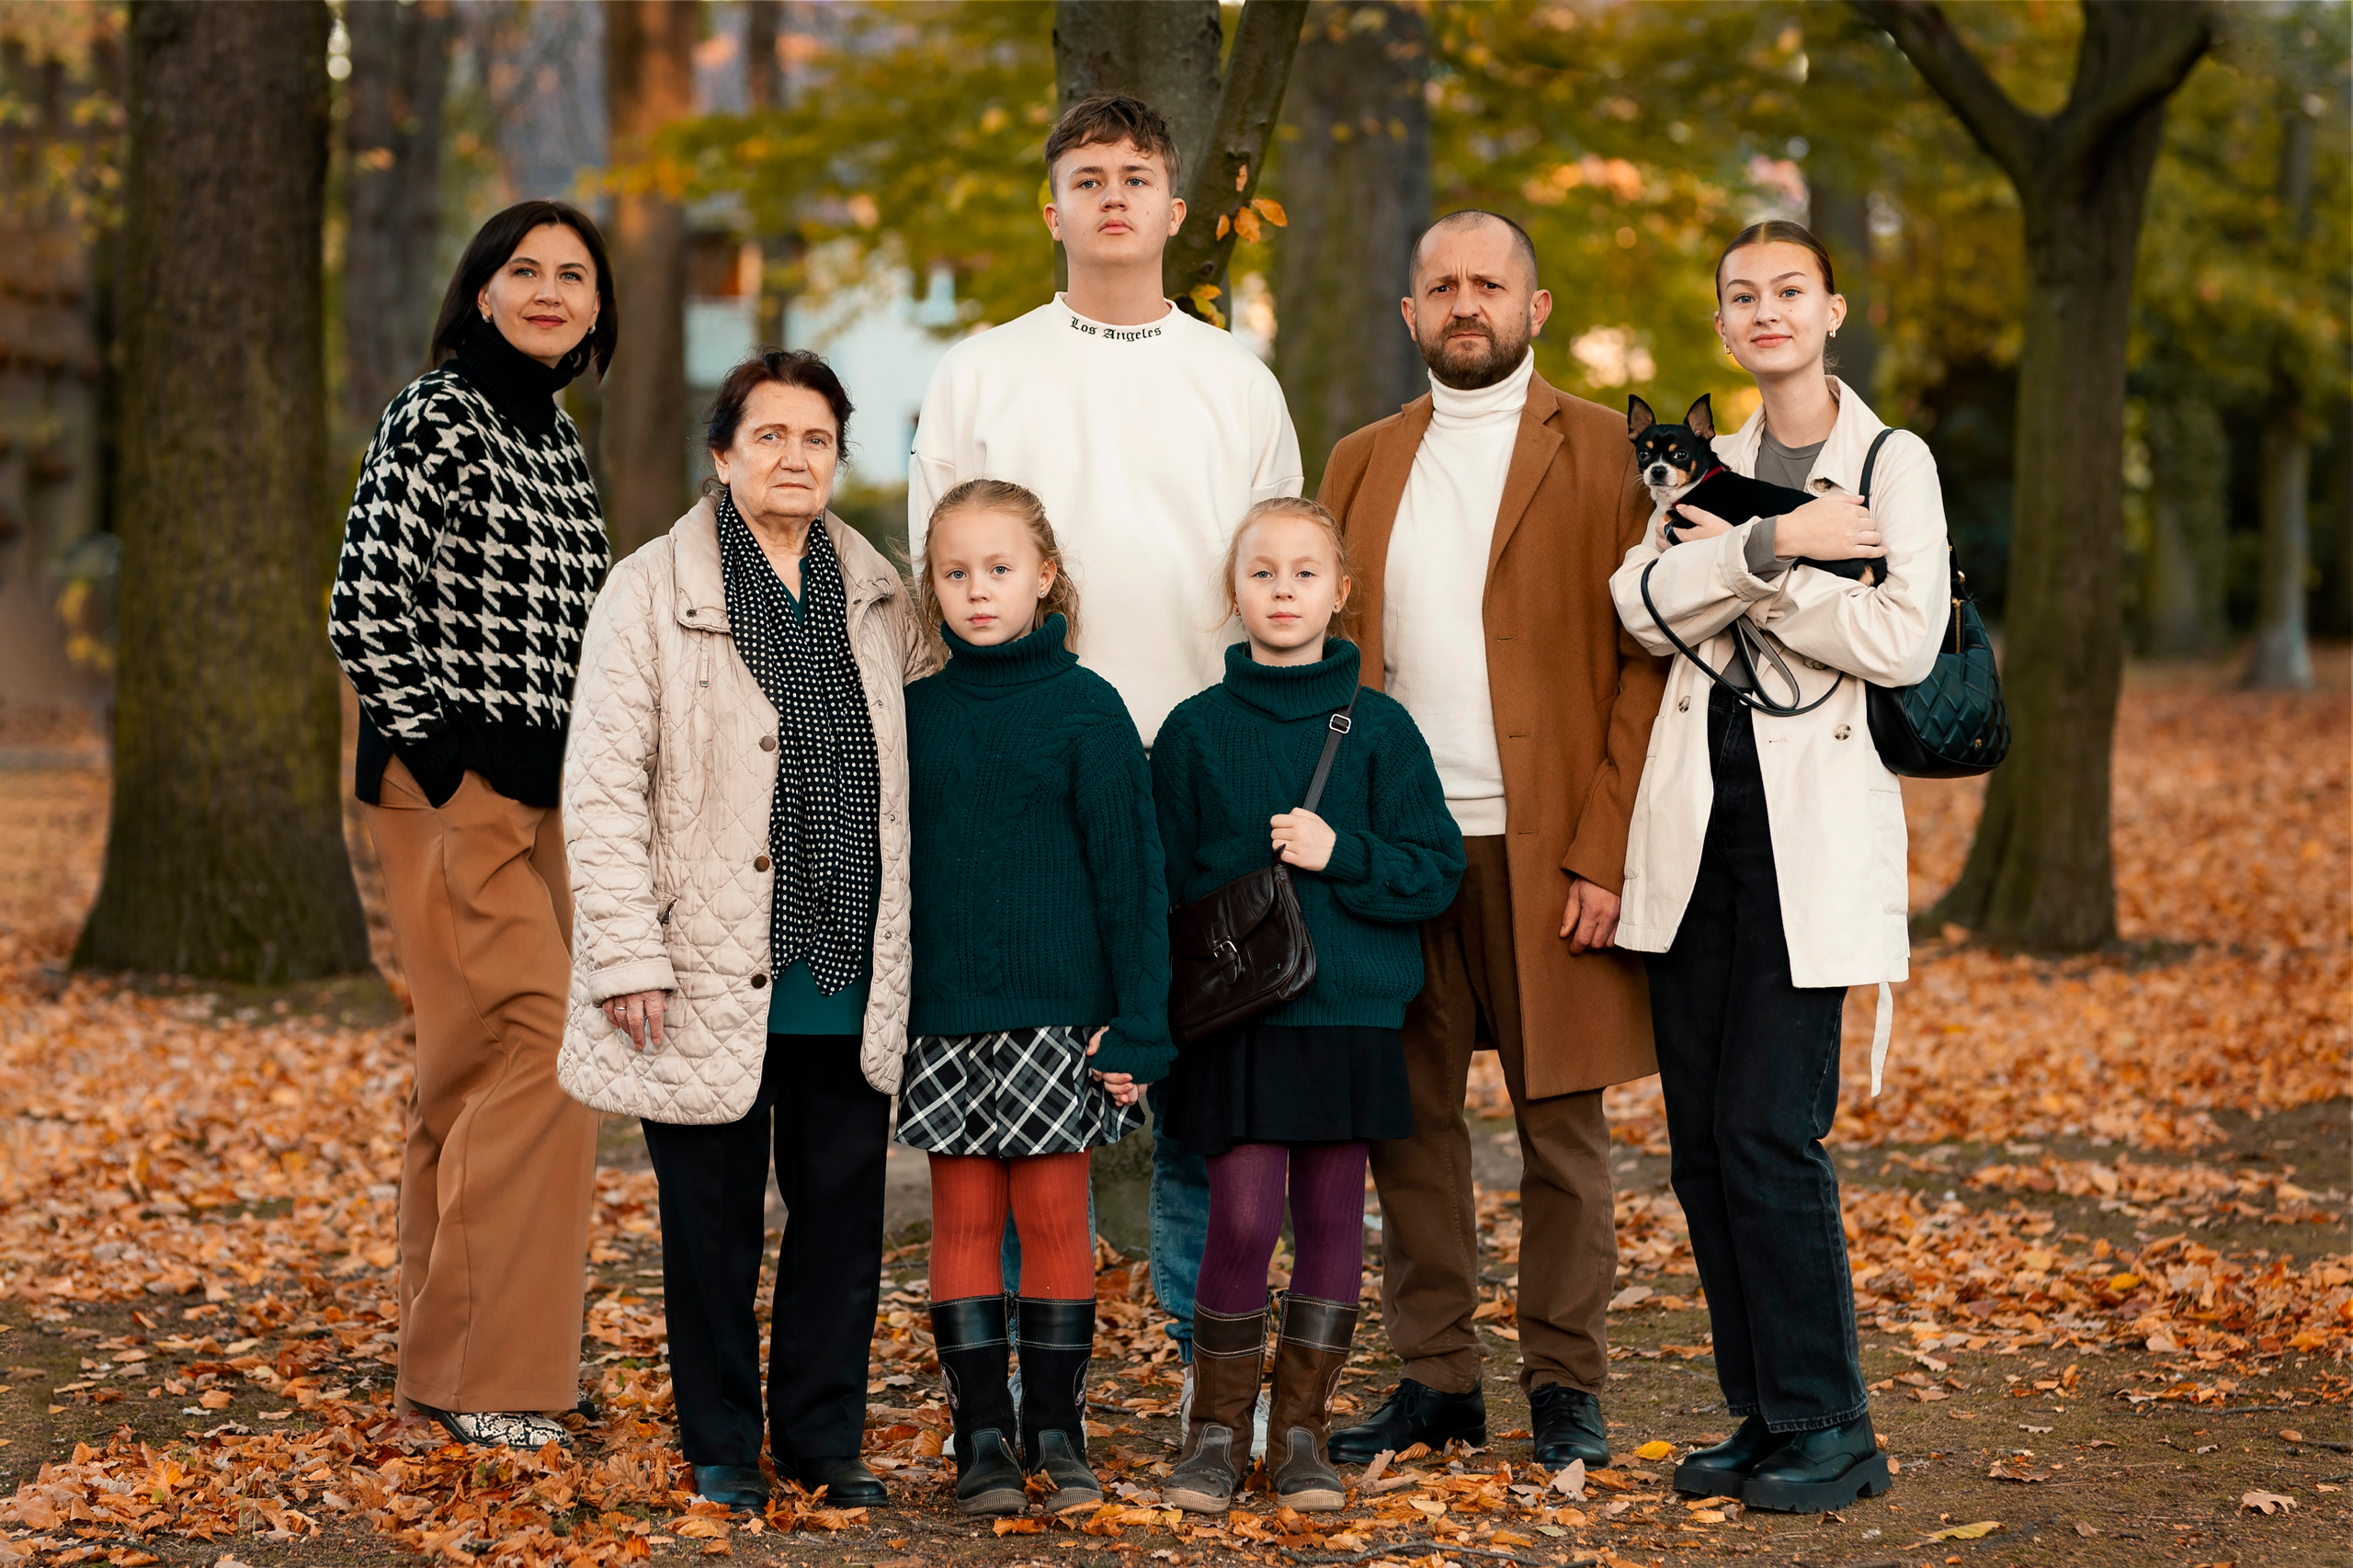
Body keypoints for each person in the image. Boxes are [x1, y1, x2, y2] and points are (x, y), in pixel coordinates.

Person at [908, 92, 1303, 1374]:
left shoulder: (1236, 380)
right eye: (1089, 176)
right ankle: (1025, 1388)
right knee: (1026, 1092)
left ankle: (1207, 1360)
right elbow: (934, 583)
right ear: (1055, 206)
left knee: (1196, 1082)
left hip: (1195, 762)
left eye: (1138, 174)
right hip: (1021, 772)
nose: (1115, 194)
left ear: (1177, 209)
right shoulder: (982, 370)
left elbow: (1274, 571)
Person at [1316, 211, 1667, 1470]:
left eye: (1490, 283)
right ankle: (1439, 1380)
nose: (1466, 302)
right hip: (1401, 853)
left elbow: (1649, 668)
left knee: (1563, 1132)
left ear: (1538, 306)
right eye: (1442, 285)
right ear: (1410, 314)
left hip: (1546, 845)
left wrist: (1603, 848)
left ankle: (1566, 1383)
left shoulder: (1612, 456)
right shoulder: (1360, 460)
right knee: (1409, 1126)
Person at [1608, 220, 1945, 1512]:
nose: (1765, 311)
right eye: (1742, 295)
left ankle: (1831, 1422)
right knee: (1701, 1138)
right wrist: (1780, 543)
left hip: (1811, 831)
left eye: (1787, 290)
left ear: (1831, 309)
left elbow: (1905, 636)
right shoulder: (1710, 459)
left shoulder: (1887, 458)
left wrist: (1752, 574)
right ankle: (1761, 1416)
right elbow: (1636, 606)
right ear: (1724, 324)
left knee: (1767, 1126)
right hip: (1697, 830)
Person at [558, 350, 929, 1514]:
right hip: (703, 963)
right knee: (710, 1229)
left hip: (847, 962)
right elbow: (603, 786)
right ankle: (720, 1442)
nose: (793, 457)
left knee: (840, 1225)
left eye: (815, 439)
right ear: (722, 454)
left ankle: (823, 1436)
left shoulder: (881, 593)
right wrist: (625, 952)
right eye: (768, 435)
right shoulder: (647, 589)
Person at [329, 199, 618, 1451]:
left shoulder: (552, 435)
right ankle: (480, 1371)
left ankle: (468, 1355)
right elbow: (363, 595)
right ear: (483, 290)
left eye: (574, 274)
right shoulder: (440, 409)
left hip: (540, 795)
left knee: (464, 1075)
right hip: (454, 793)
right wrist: (443, 764)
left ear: (597, 308)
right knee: (544, 1047)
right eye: (526, 269)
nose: (550, 289)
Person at [1153, 498, 1464, 1515]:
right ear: (1231, 593)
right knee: (1241, 1218)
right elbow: (1158, 889)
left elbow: (1437, 872)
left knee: (1332, 1218)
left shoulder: (1379, 730)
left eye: (1302, 573)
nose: (1282, 591)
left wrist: (1346, 853)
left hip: (1349, 1015)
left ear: (1340, 591)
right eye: (1261, 573)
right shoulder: (1193, 733)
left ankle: (1299, 1435)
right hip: (1237, 1026)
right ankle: (1213, 1433)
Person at [897, 479, 1174, 1516]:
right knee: (963, 1220)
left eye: (999, 568)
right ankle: (980, 1432)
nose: (977, 589)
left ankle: (1056, 1427)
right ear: (932, 585)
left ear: (1045, 575)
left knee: (1056, 1216)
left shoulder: (1086, 707)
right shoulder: (913, 714)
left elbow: (1133, 877)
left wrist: (1139, 1018)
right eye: (955, 572)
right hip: (946, 1014)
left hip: (1065, 1018)